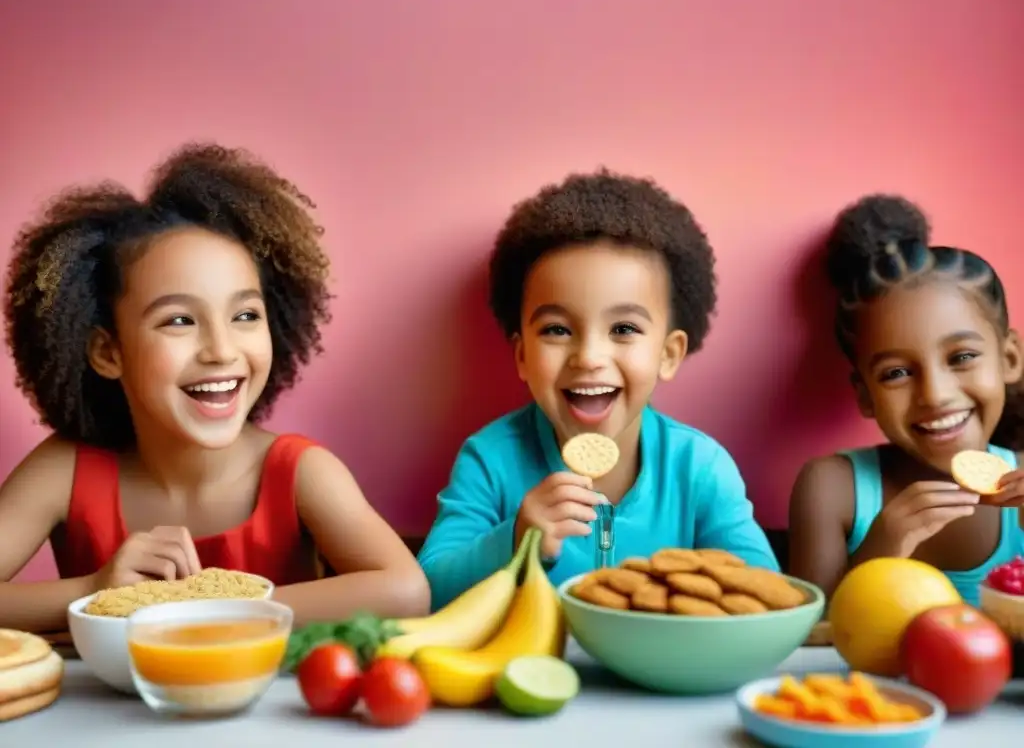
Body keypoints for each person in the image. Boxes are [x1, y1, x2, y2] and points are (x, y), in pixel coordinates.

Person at [0, 143, 429, 632]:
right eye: (180, 320)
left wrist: (203, 612)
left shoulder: (300, 472)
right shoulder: (64, 472)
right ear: (108, 352)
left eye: (245, 315)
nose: (222, 350)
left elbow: (405, 589)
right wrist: (93, 591)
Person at [417, 169, 779, 610]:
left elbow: (764, 591)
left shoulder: (699, 468)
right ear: (523, 357)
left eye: (623, 328)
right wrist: (514, 540)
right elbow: (430, 587)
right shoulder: (490, 460)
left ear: (668, 354)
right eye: (557, 329)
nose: (588, 356)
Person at [788, 194, 1024, 606]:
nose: (935, 395)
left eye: (962, 358)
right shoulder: (832, 488)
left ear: (1009, 359)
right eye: (897, 373)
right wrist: (883, 548)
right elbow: (810, 635)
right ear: (864, 394)